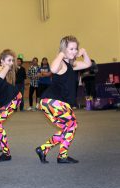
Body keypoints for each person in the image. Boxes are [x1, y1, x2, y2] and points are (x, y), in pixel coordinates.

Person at [35, 35, 91, 164]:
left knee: (68, 128)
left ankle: (43, 149)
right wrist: (61, 53)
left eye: (75, 49)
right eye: (70, 49)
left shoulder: (71, 65)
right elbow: (53, 69)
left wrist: (85, 53)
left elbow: (87, 64)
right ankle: (61, 156)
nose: (74, 52)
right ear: (63, 49)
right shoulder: (60, 63)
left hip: (50, 102)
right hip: (53, 101)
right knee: (71, 126)